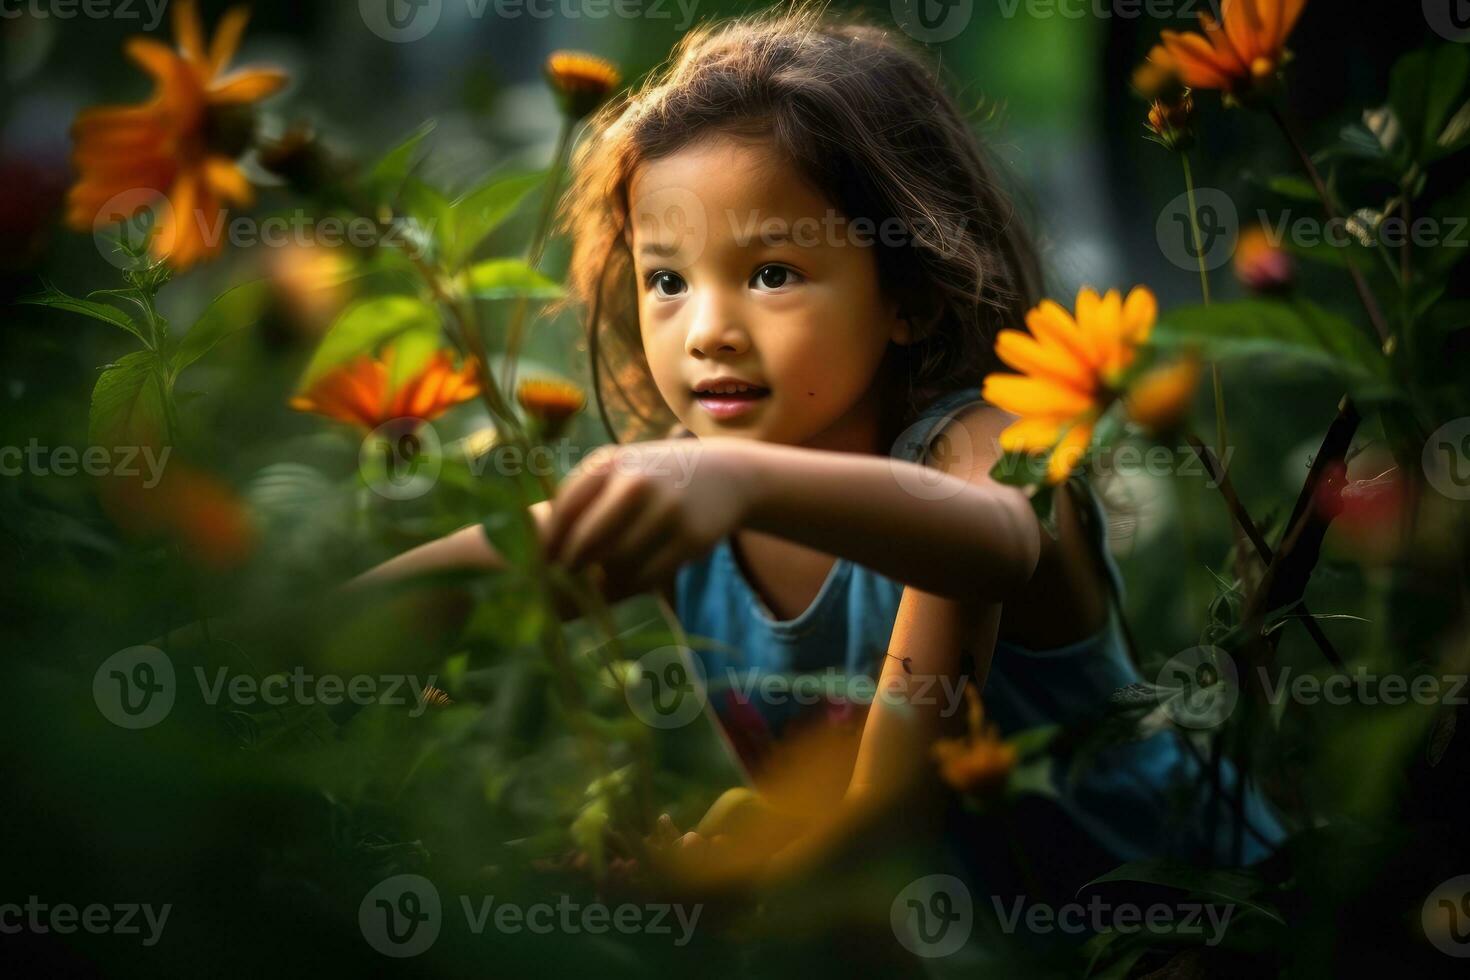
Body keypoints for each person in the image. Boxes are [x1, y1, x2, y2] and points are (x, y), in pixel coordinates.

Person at [355, 6, 1281, 900]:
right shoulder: (692, 493)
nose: (709, 330)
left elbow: (993, 553)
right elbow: (432, 603)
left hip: (1226, 923)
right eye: (667, 280)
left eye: (772, 274)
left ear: (909, 294)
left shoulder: (977, 441)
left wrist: (735, 481)